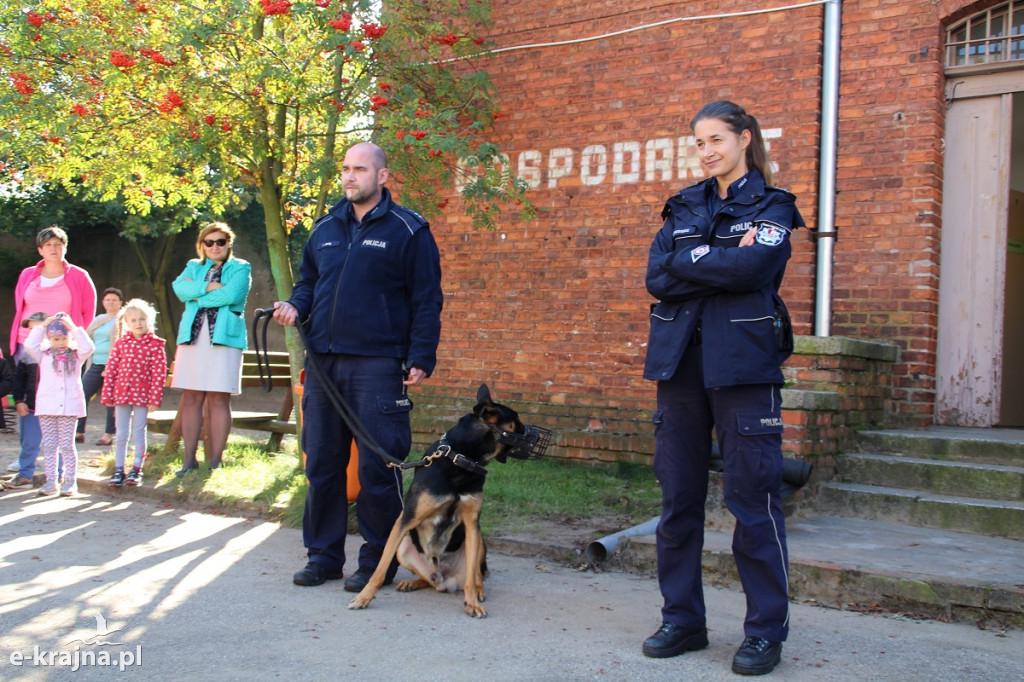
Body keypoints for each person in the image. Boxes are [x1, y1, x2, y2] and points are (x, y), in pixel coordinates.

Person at [642, 101, 804, 676]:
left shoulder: (775, 205)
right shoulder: (684, 204)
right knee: (677, 502)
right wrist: (714, 258)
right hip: (680, 368)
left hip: (744, 369)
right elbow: (655, 276)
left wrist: (693, 260)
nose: (708, 150)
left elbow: (752, 271)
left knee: (753, 503)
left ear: (744, 138)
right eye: (700, 142)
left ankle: (765, 632)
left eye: (717, 139)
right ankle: (682, 619)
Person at [273, 141, 443, 590]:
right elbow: (309, 281)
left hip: (378, 365)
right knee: (323, 464)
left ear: (382, 176)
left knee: (376, 468)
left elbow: (426, 299)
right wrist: (294, 304)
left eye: (360, 169)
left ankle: (378, 562)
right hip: (325, 365)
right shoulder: (326, 227)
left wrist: (421, 355)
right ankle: (324, 557)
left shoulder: (409, 230)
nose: (350, 177)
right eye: (346, 169)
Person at [8, 226, 96, 465]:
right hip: (28, 344)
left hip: (61, 349)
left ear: (65, 247)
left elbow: (87, 312)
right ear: (40, 249)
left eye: (58, 244)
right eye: (48, 245)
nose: (54, 249)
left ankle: (56, 460)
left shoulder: (79, 276)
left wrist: (73, 341)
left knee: (58, 400)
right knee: (27, 399)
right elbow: (20, 308)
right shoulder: (28, 274)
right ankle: (26, 456)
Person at [170, 222, 252, 475]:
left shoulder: (241, 267)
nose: (215, 246)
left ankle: (215, 461)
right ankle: (189, 460)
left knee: (218, 398)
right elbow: (179, 289)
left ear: (229, 244)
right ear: (202, 245)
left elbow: (232, 296)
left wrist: (196, 296)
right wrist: (207, 286)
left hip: (224, 339)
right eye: (209, 242)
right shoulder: (193, 267)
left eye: (220, 241)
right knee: (191, 397)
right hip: (193, 339)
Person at [24, 313, 93, 496]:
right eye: (56, 338)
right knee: (50, 444)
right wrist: (44, 325)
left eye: (64, 338)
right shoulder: (44, 355)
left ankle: (70, 480)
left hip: (69, 407)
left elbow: (89, 346)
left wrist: (73, 327)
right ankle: (51, 481)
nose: (60, 342)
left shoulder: (77, 355)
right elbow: (29, 344)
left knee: (67, 445)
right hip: (47, 406)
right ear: (49, 338)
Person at [101, 299, 167, 487]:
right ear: (126, 323)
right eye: (133, 320)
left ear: (149, 321)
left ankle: (137, 468)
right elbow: (112, 369)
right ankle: (119, 469)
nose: (138, 324)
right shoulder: (121, 344)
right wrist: (108, 394)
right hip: (122, 395)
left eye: (142, 319)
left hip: (142, 396)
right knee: (121, 433)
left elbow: (159, 373)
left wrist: (155, 398)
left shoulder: (155, 345)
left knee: (139, 431)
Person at [3, 313, 46, 490]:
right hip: (30, 406)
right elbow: (18, 380)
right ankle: (26, 475)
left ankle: (58, 475)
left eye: (37, 327)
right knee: (27, 442)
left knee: (55, 443)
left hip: (51, 407)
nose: (32, 331)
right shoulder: (26, 355)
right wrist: (19, 400)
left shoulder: (59, 352)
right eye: (30, 328)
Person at [78, 287, 123, 446]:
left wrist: (113, 365)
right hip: (95, 364)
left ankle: (108, 434)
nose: (111, 302)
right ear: (103, 302)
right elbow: (86, 337)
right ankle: (79, 431)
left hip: (114, 366)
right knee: (81, 393)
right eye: (108, 299)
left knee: (111, 399)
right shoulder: (99, 319)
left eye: (114, 300)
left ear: (120, 303)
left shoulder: (122, 319)